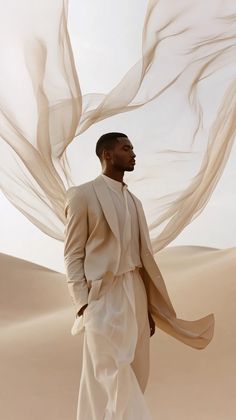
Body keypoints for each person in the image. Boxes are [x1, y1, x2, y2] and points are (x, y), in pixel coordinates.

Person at [64, 132, 215, 420]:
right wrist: (83, 303)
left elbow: (142, 258)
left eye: (132, 147)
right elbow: (73, 254)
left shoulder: (135, 202)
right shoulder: (82, 195)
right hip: (102, 296)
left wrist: (146, 307)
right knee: (110, 370)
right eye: (126, 148)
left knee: (135, 373)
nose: (133, 153)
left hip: (135, 293)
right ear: (107, 155)